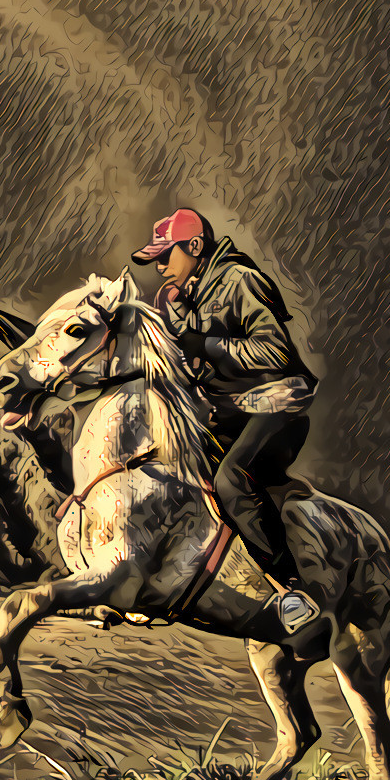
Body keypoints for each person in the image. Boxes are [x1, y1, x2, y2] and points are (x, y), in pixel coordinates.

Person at [131, 208, 321, 636]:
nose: (160, 267)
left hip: (276, 407)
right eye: (156, 260)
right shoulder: (179, 295)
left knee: (232, 479)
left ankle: (293, 589)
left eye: (166, 256)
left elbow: (274, 353)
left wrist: (209, 344)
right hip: (228, 410)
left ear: (195, 247)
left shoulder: (240, 281)